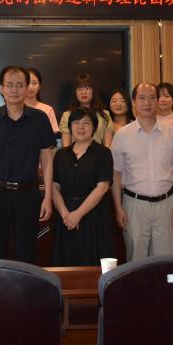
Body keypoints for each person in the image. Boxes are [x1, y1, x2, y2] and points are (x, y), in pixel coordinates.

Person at [0, 65, 54, 263]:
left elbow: (47, 159)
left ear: (27, 88)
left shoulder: (40, 118)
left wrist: (48, 197)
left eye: (19, 85)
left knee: (26, 252)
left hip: (28, 193)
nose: (14, 90)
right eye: (10, 85)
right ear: (1, 88)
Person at [110, 82, 173, 261]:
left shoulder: (171, 133)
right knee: (136, 261)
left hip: (166, 205)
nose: (147, 103)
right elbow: (116, 174)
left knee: (166, 261)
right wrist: (118, 207)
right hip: (134, 206)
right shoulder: (122, 135)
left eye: (152, 98)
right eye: (142, 98)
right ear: (134, 102)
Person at [51, 108, 114, 266]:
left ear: (94, 127)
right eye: (76, 123)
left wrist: (78, 214)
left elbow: (102, 187)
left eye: (86, 123)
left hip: (94, 216)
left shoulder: (103, 153)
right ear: (70, 127)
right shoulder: (61, 154)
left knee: (92, 260)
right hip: (65, 216)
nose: (81, 127)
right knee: (66, 261)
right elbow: (54, 185)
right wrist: (65, 213)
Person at [59, 73, 113, 147]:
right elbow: (66, 146)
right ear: (75, 92)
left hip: (99, 153)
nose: (83, 92)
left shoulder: (104, 114)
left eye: (87, 88)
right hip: (75, 154)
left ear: (93, 91)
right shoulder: (67, 115)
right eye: (79, 89)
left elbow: (107, 146)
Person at [26, 67, 59, 134]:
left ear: (39, 86)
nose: (30, 87)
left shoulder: (47, 109)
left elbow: (51, 135)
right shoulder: (15, 109)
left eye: (34, 83)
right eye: (27, 83)